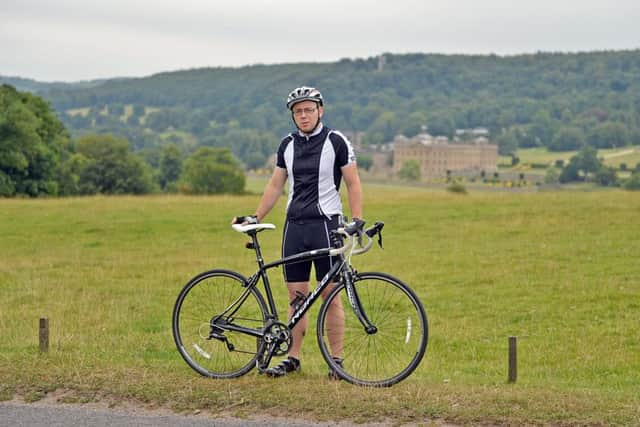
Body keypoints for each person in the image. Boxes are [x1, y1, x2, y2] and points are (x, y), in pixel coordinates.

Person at [234, 86, 363, 378]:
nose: (303, 115)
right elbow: (275, 185)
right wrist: (256, 216)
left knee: (331, 294)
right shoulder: (287, 145)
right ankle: (292, 357)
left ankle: (337, 360)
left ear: (320, 110)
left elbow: (354, 183)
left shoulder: (336, 141)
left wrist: (356, 220)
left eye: (308, 109)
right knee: (297, 298)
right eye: (297, 111)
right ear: (293, 116)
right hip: (295, 228)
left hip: (327, 226)